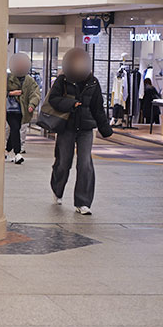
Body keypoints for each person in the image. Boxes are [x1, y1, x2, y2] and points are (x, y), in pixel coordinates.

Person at [47, 47, 113, 215]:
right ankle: (57, 189)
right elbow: (53, 100)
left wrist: (106, 130)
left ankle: (83, 202)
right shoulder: (62, 81)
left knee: (85, 164)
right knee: (63, 162)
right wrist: (71, 104)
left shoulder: (93, 83)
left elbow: (98, 108)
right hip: (66, 127)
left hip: (85, 129)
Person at [6, 53, 40, 164]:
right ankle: (17, 153)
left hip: (22, 110)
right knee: (15, 128)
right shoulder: (8, 78)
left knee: (14, 130)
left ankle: (7, 150)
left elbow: (35, 93)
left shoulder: (29, 80)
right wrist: (11, 93)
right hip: (9, 110)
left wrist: (32, 105)